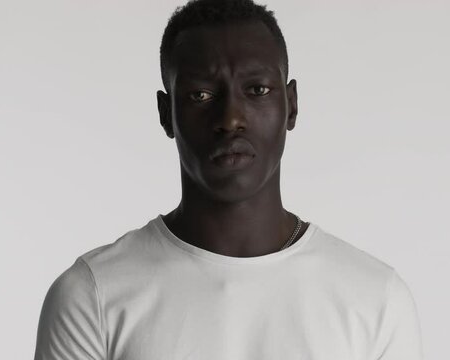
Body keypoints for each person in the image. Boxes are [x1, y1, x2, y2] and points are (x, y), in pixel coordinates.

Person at [33, 0, 424, 359]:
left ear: (291, 105)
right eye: (201, 95)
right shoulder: (94, 296)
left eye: (257, 90)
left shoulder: (375, 300)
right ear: (165, 112)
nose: (230, 119)